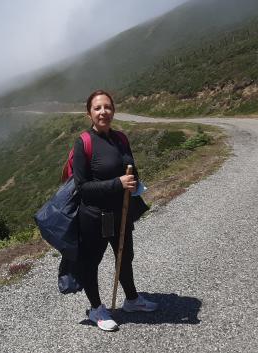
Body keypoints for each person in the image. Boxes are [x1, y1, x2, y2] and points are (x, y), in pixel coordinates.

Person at [73, 90, 158, 332]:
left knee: (125, 258)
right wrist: (117, 184)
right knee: (92, 262)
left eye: (107, 107)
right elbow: (82, 188)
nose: (103, 112)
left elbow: (130, 169)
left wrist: (135, 184)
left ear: (113, 110)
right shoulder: (84, 143)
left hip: (120, 213)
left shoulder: (121, 138)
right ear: (89, 112)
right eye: (98, 108)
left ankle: (131, 300)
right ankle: (96, 309)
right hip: (94, 216)